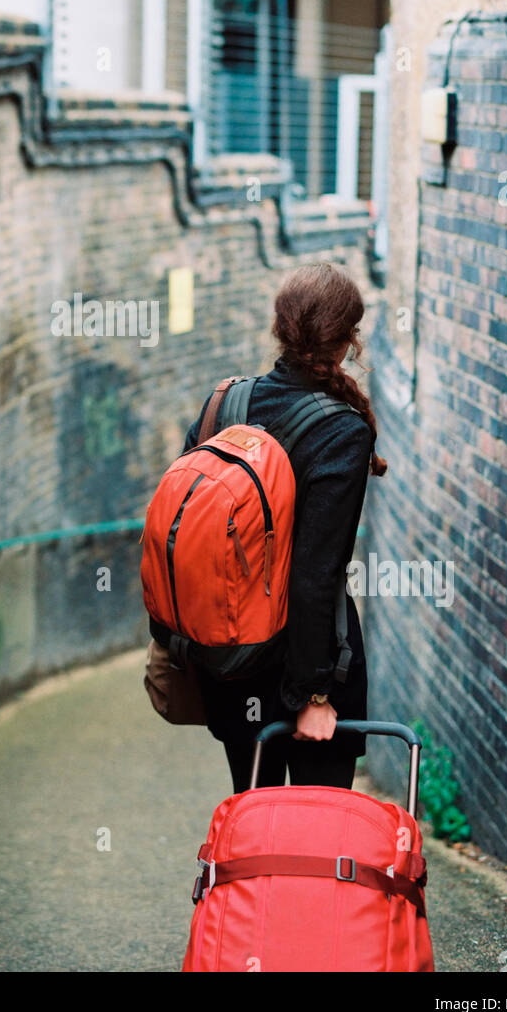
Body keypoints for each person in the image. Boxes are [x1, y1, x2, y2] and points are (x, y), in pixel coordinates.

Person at [180, 263, 386, 794]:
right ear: (346, 342)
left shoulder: (224, 403)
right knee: (320, 843)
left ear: (281, 328)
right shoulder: (341, 430)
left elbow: (187, 532)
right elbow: (316, 574)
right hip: (309, 668)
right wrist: (314, 697)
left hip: (231, 661)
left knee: (254, 825)